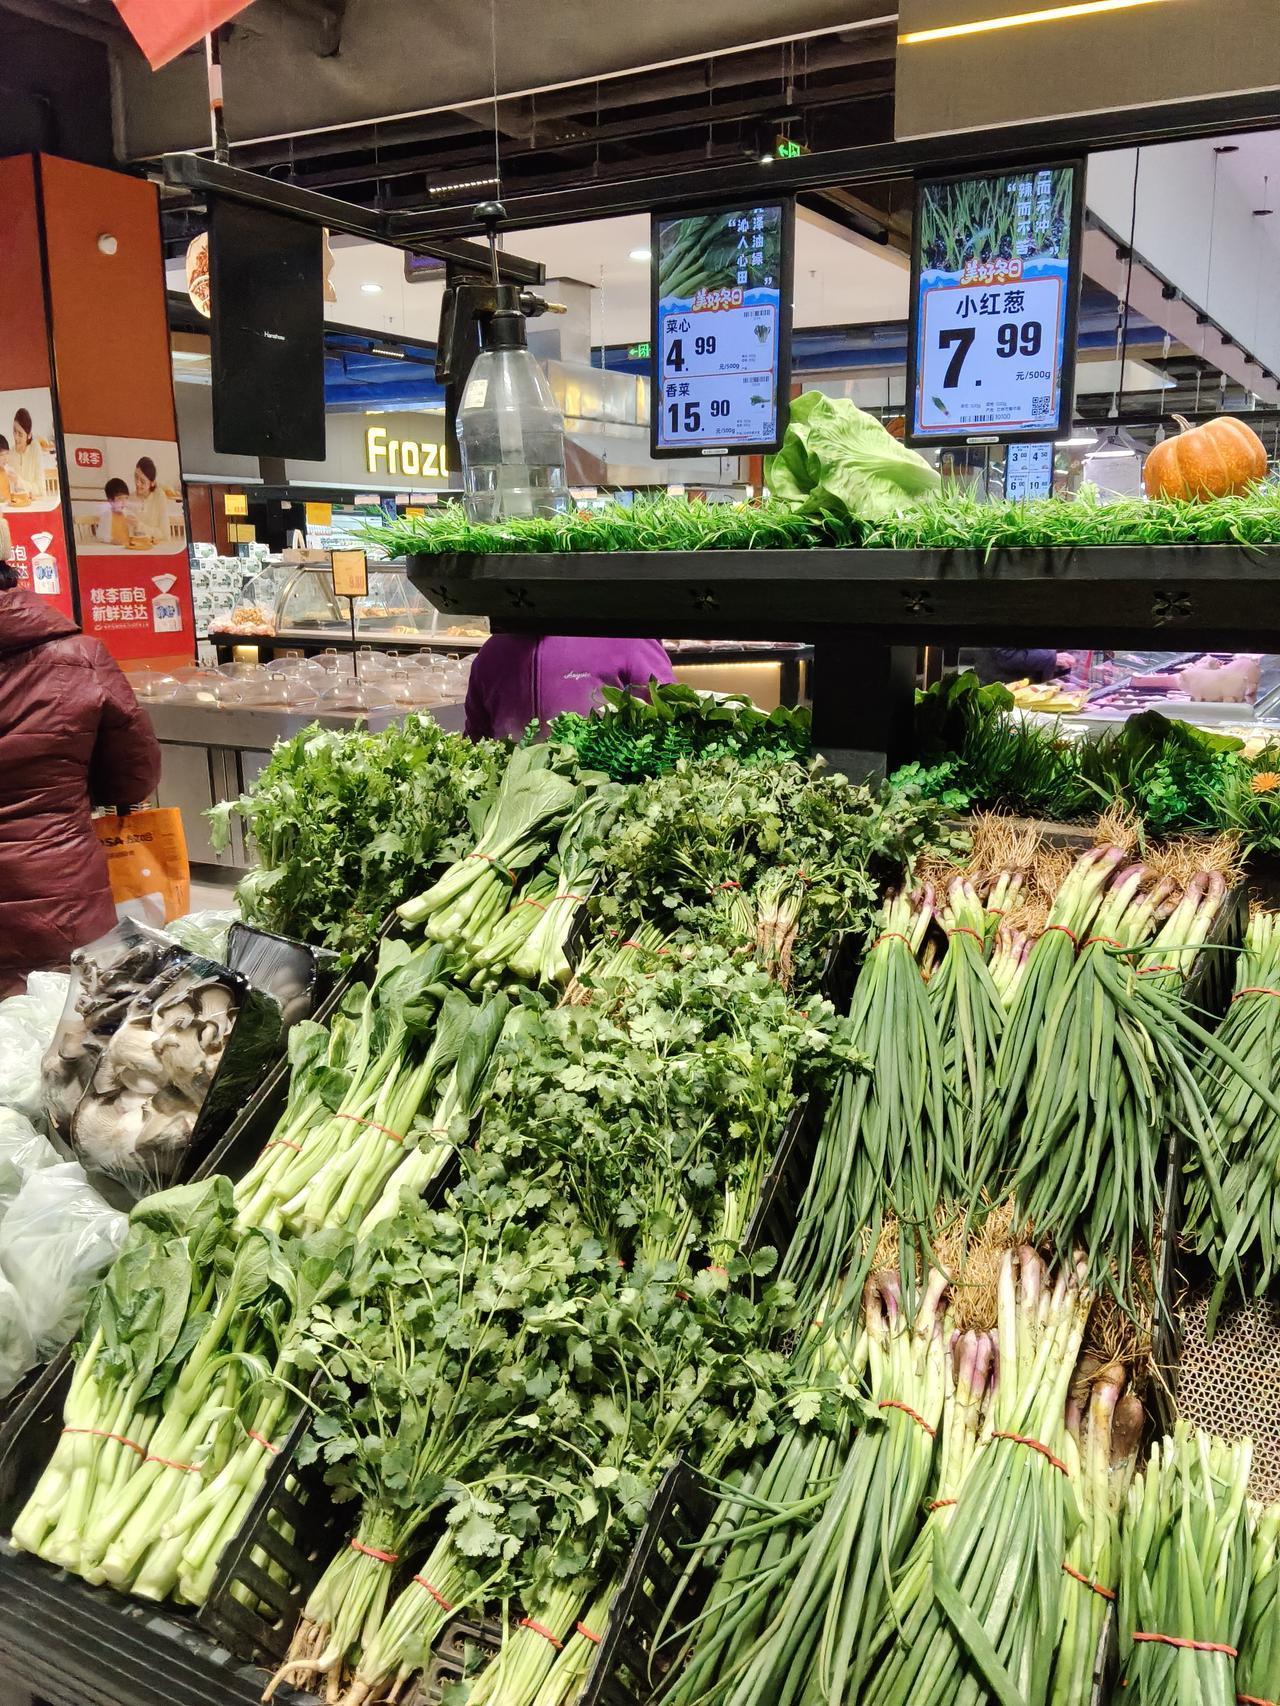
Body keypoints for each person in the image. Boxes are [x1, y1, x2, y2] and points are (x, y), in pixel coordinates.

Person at [0, 551, 161, 997]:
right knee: (68, 1042)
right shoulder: (79, 657)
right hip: (62, 896)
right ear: (10, 567)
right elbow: (133, 774)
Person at [464, 634, 675, 741]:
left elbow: (673, 720)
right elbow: (476, 739)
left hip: (607, 806)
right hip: (512, 813)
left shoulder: (626, 638)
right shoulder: (493, 653)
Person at [9, 409, 44, 498]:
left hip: (34, 505)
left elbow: (40, 489)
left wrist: (18, 481)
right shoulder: (10, 453)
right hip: (17, 504)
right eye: (14, 431)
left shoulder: (35, 449)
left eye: (20, 434)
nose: (16, 437)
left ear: (29, 435)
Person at [133, 456, 169, 541]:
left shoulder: (159, 496)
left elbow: (164, 534)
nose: (137, 483)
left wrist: (139, 526)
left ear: (152, 483)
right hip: (135, 548)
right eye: (136, 477)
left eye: (142, 481)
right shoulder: (131, 498)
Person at [96, 477, 132, 546]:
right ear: (110, 501)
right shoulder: (107, 515)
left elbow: (132, 532)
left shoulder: (127, 513)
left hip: (127, 548)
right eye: (119, 499)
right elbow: (100, 535)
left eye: (126, 498)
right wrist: (111, 540)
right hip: (112, 549)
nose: (123, 502)